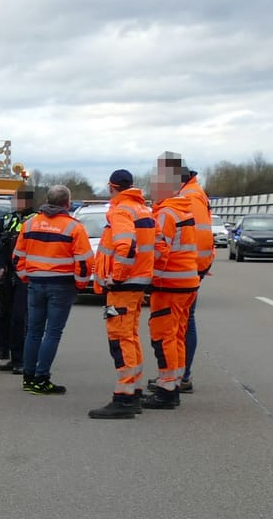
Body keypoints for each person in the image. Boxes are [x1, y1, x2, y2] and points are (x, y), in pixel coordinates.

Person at [87, 170, 155, 419]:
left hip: (124, 285)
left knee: (120, 338)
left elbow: (126, 246)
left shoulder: (121, 210)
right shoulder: (142, 209)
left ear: (111, 187)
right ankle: (133, 391)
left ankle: (124, 398)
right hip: (138, 282)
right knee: (131, 336)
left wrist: (116, 276)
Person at [14, 184, 93, 395]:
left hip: (35, 283)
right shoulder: (74, 227)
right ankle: (42, 378)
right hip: (62, 284)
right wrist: (80, 283)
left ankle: (29, 377)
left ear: (47, 201)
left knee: (33, 331)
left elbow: (17, 257)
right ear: (67, 203)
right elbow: (84, 261)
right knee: (53, 332)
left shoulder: (29, 224)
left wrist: (25, 277)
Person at [144, 154, 201, 409]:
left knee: (164, 336)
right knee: (176, 336)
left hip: (170, 284)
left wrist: (145, 276)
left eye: (154, 185)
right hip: (186, 281)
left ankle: (167, 390)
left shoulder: (166, 213)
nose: (151, 189)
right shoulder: (183, 209)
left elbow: (159, 252)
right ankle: (173, 385)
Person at [174, 165, 213, 392]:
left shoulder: (190, 196)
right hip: (191, 268)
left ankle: (182, 376)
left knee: (185, 321)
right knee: (183, 321)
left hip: (187, 270)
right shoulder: (191, 193)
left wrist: (193, 267)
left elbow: (199, 236)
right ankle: (178, 374)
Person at [0, 187, 36, 368]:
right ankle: (3, 348)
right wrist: (2, 246)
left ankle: (20, 358)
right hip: (6, 274)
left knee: (20, 316)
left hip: (25, 274)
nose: (16, 204)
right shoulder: (6, 220)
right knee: (3, 314)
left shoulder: (36, 220)